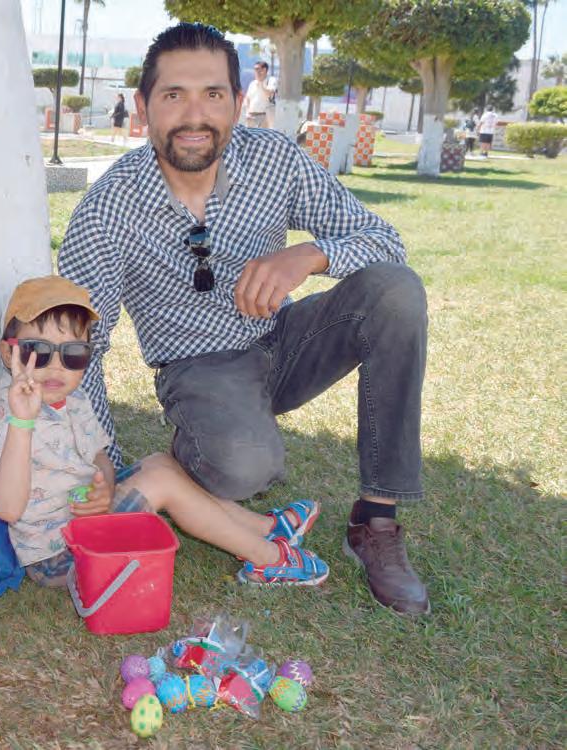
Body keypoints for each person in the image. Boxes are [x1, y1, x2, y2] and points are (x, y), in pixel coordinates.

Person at [58, 23, 431, 616]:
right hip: (199, 369)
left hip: (285, 339)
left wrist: (310, 255)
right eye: (173, 95)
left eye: (212, 94)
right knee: (246, 466)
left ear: (237, 102)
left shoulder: (275, 160)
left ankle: (376, 520)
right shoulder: (107, 209)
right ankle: (189, 456)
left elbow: (384, 241)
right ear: (143, 107)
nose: (194, 115)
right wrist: (101, 458)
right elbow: (83, 345)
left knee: (394, 292)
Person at [0, 276, 328, 589]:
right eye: (38, 352)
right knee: (162, 483)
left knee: (161, 463)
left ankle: (265, 528)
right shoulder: (9, 413)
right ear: (9, 353)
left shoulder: (74, 397)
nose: (56, 366)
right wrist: (22, 423)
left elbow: (99, 455)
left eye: (73, 354)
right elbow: (7, 509)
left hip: (85, 517)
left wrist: (105, 486)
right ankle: (267, 559)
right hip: (60, 554)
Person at [243, 60, 276, 129]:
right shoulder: (252, 84)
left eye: (258, 69)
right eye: (255, 69)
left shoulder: (271, 81)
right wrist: (247, 112)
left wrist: (261, 84)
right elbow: (247, 99)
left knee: (263, 135)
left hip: (264, 116)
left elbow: (270, 94)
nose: (256, 72)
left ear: (264, 70)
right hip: (251, 116)